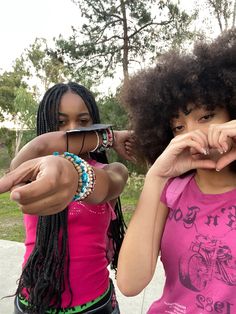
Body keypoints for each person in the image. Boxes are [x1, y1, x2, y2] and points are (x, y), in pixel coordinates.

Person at [116, 29, 236, 314]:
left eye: (205, 117)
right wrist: (156, 177)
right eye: (178, 127)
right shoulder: (172, 191)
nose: (190, 135)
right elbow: (130, 283)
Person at [3, 82, 132, 314]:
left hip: (96, 306)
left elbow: (104, 187)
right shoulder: (29, 168)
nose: (72, 129)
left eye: (83, 121)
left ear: (95, 124)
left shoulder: (113, 171)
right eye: (60, 122)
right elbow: (40, 145)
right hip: (33, 304)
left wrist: (75, 176)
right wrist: (110, 137)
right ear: (46, 124)